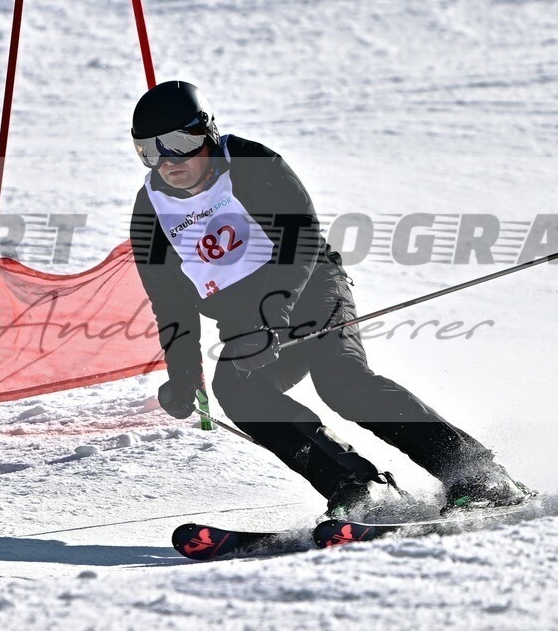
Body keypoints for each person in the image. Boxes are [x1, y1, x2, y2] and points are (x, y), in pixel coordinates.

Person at [128, 80, 529, 518]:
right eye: (150, 151)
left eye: (180, 143)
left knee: (343, 383)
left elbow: (298, 244)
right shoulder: (150, 210)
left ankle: (476, 474)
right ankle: (357, 486)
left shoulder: (252, 164)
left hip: (311, 291)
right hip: (247, 323)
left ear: (206, 132)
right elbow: (171, 301)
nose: (168, 161)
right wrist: (183, 373)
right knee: (237, 389)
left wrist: (270, 318)